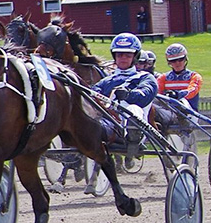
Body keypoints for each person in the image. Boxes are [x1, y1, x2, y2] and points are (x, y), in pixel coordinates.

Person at [85, 33, 157, 194]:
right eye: (119, 54)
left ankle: (132, 138)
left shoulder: (145, 78)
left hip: (134, 128)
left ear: (135, 56)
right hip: (109, 126)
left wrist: (129, 95)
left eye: (127, 54)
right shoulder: (106, 81)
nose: (123, 58)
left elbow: (145, 95)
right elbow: (92, 94)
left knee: (133, 109)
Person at [157, 43, 202, 111]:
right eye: (173, 61)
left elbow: (192, 90)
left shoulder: (195, 76)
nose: (177, 63)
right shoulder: (162, 78)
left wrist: (177, 94)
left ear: (185, 59)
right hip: (168, 111)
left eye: (180, 59)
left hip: (189, 114)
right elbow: (157, 94)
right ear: (169, 62)